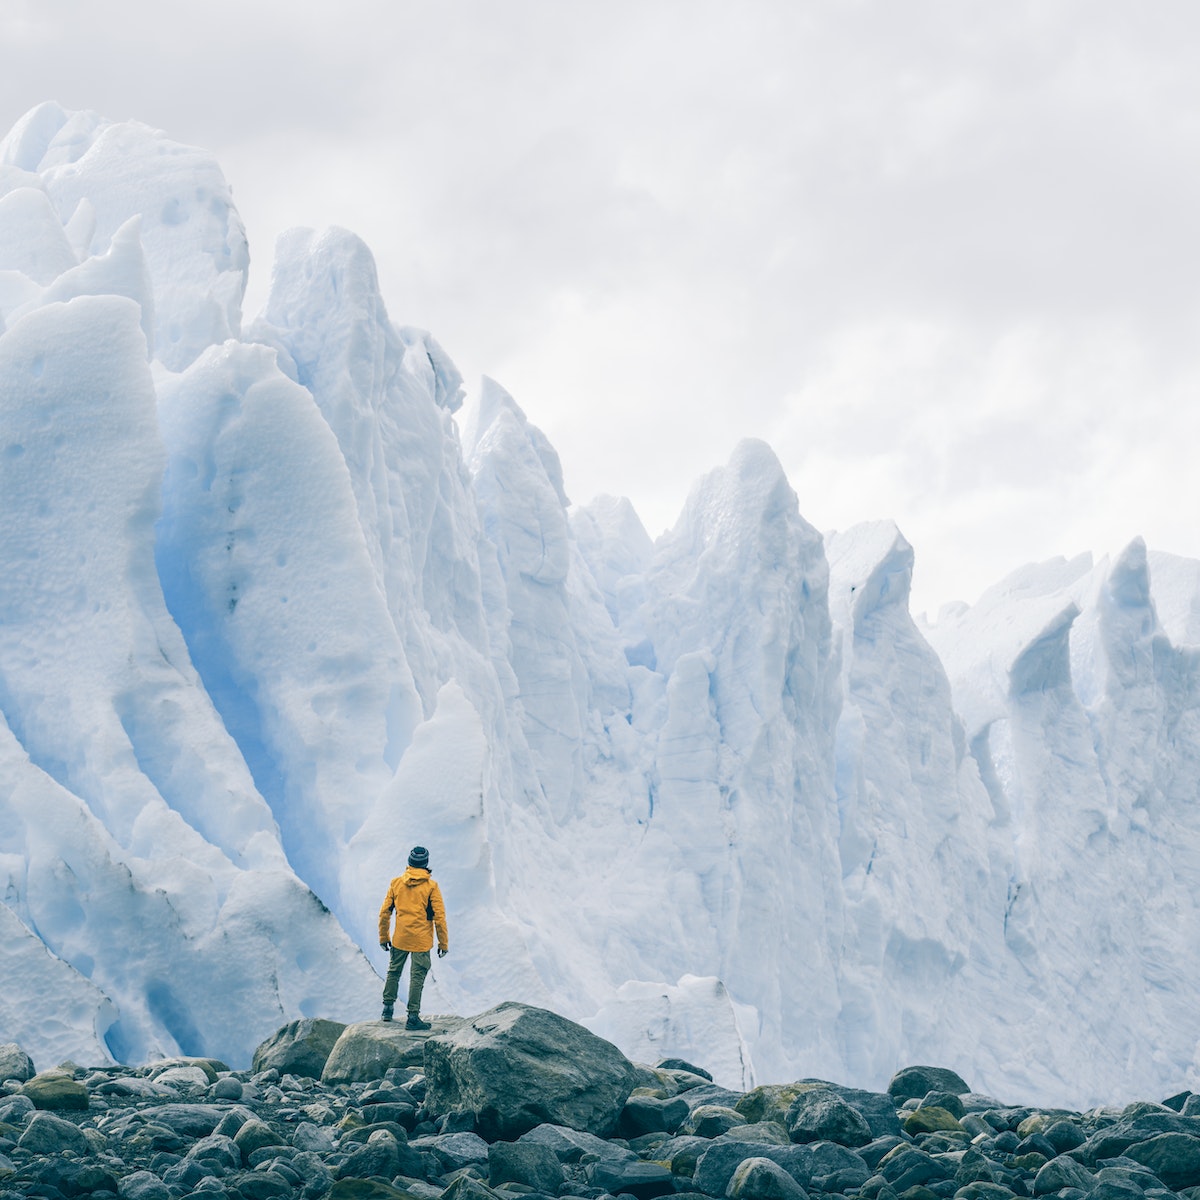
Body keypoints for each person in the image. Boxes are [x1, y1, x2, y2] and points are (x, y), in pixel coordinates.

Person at [378, 845, 449, 1029]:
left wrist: (384, 937)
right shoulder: (431, 887)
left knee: (394, 971)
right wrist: (443, 942)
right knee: (416, 978)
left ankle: (387, 1009)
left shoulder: (396, 883)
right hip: (421, 941)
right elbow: (439, 917)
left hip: (400, 938)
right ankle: (412, 1018)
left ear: (409, 863)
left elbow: (385, 912)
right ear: (425, 864)